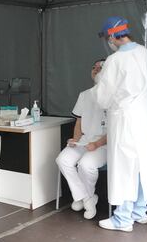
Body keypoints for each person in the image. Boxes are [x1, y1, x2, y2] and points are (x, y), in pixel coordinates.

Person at [92, 16, 147, 232]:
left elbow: (103, 98)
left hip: (124, 119)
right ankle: (139, 212)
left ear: (112, 36)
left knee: (123, 168)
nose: (108, 42)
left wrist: (98, 77)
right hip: (143, 117)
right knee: (142, 166)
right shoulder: (145, 53)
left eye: (107, 37)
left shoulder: (114, 61)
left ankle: (122, 219)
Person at [56, 59, 107, 220]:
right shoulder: (84, 95)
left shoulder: (114, 96)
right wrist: (75, 139)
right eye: (94, 67)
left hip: (104, 143)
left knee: (85, 164)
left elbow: (115, 130)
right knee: (62, 159)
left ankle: (84, 198)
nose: (96, 69)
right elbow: (78, 121)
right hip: (84, 140)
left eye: (100, 67)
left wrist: (97, 144)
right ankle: (86, 198)